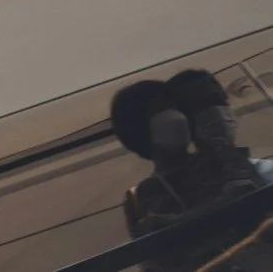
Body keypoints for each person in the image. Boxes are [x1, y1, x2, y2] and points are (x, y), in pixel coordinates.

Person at [112, 72, 273, 272]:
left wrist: (178, 224)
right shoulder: (141, 196)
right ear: (138, 130)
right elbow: (159, 261)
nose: (173, 117)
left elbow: (245, 197)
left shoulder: (224, 160)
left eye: (173, 107)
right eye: (158, 111)